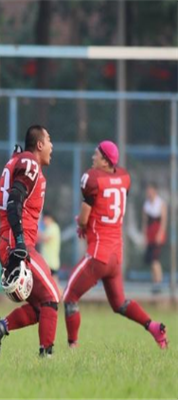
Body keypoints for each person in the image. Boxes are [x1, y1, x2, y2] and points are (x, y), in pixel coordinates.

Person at [63, 141, 167, 349]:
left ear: (105, 161)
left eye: (96, 155)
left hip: (98, 254)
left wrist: (82, 224)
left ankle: (72, 346)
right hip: (115, 255)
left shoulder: (92, 179)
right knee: (119, 303)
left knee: (69, 297)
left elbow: (84, 218)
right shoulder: (124, 178)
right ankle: (153, 326)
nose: (93, 158)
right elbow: (108, 206)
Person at [0, 125, 59, 358]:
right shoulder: (30, 163)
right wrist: (19, 244)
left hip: (15, 242)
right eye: (48, 140)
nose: (51, 145)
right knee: (52, 298)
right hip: (18, 244)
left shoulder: (23, 161)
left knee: (40, 309)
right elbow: (14, 202)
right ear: (38, 145)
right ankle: (46, 358)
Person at [142, 183, 167, 294]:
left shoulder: (160, 203)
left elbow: (164, 221)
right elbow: (145, 222)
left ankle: (158, 283)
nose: (149, 193)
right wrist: (145, 236)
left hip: (157, 234)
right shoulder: (146, 205)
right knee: (150, 260)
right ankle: (155, 282)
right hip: (150, 234)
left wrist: (160, 234)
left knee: (155, 259)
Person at [39, 211, 62, 296]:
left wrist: (36, 231)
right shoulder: (48, 228)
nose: (44, 221)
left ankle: (63, 299)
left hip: (51, 262)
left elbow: (45, 238)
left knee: (55, 283)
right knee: (51, 283)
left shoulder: (53, 227)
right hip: (47, 262)